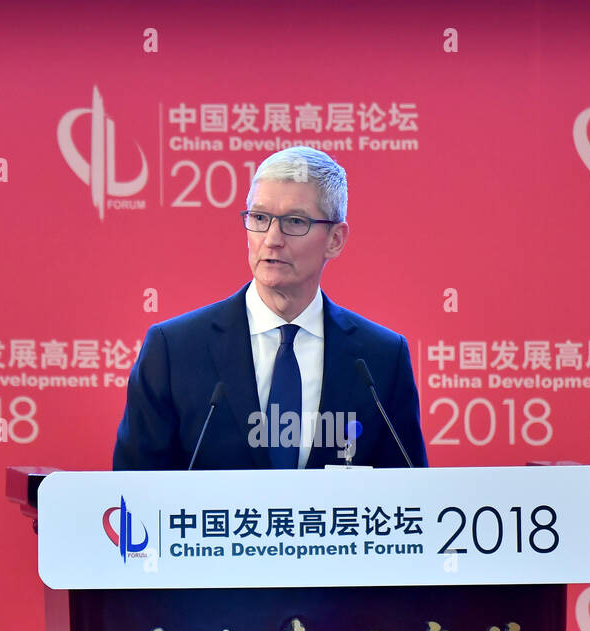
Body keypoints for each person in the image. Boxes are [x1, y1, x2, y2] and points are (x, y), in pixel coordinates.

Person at [112, 146, 428, 470]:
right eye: (260, 218)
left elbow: (410, 498)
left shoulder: (381, 359)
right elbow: (133, 493)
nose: (272, 239)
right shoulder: (174, 350)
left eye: (294, 221)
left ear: (335, 238)